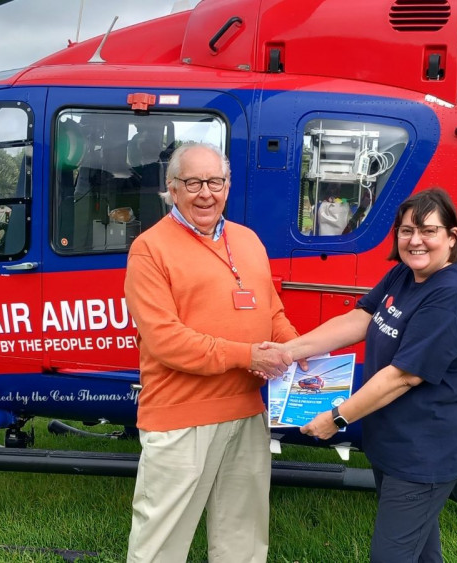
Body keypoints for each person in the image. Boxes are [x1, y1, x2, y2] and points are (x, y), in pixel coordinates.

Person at [273, 188, 457, 563]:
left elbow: (403, 377)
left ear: (452, 237)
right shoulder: (405, 274)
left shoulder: (451, 295)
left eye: (428, 231)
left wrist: (336, 418)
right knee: (421, 553)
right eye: (406, 231)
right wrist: (290, 351)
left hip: (425, 453)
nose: (415, 241)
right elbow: (360, 318)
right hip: (394, 443)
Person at [124, 142, 298, 562]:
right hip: (181, 416)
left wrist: (294, 350)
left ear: (228, 185)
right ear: (172, 188)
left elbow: (271, 309)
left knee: (244, 537)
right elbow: (165, 340)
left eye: (215, 181)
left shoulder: (249, 239)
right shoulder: (149, 249)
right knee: (160, 544)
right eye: (193, 182)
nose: (206, 193)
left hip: (246, 412)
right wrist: (249, 357)